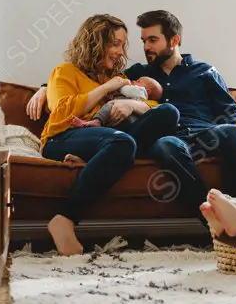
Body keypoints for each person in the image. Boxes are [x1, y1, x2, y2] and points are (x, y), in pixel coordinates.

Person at [28, 10, 236, 212]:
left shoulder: (204, 71)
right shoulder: (138, 73)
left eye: (153, 40)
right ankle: (212, 217)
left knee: (232, 134)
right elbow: (90, 76)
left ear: (174, 40)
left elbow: (228, 108)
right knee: (166, 145)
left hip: (204, 134)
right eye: (144, 41)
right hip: (168, 138)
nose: (146, 47)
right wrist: (45, 88)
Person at [39, 14, 180, 255]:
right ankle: (64, 219)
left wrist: (133, 105)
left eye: (122, 45)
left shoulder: (118, 78)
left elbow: (151, 103)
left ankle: (99, 160)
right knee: (121, 142)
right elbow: (61, 111)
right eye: (114, 44)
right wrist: (107, 88)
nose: (119, 51)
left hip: (112, 137)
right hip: (64, 137)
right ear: (95, 43)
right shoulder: (65, 72)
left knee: (169, 112)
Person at [71, 76, 164, 128]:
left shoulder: (140, 91)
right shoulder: (145, 101)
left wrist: (121, 83)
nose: (134, 80)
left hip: (124, 114)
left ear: (147, 91)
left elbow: (125, 90)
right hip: (128, 120)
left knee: (109, 104)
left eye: (138, 81)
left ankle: (96, 121)